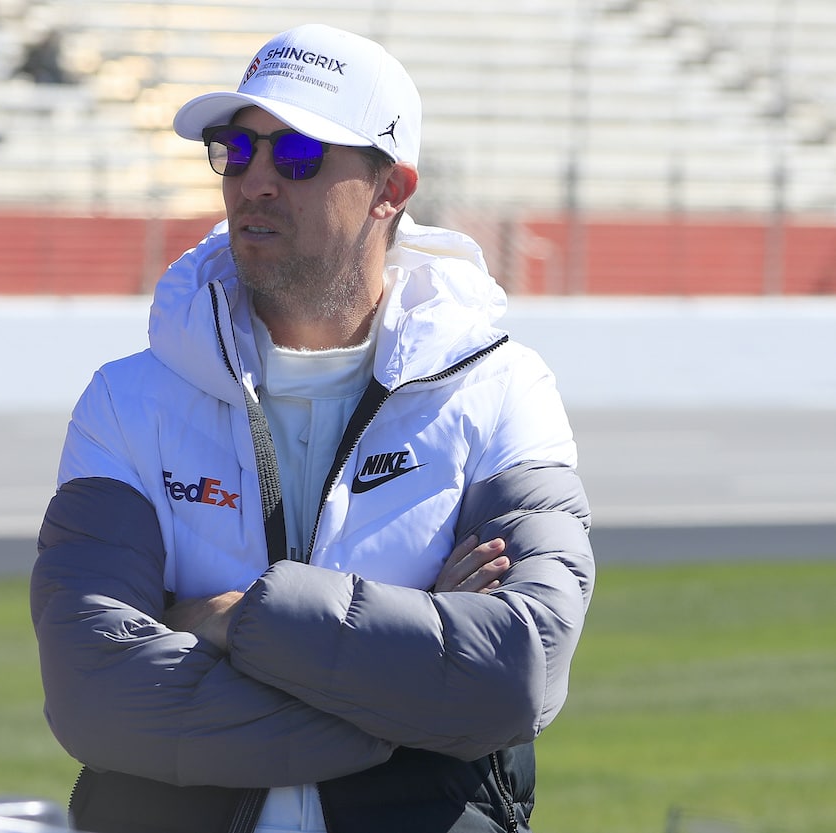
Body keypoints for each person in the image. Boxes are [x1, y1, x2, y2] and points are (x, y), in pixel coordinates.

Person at [30, 23, 594, 833]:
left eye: (296, 155)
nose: (254, 180)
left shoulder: (505, 389)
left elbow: (515, 675)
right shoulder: (127, 400)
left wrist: (236, 617)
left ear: (390, 189)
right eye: (236, 148)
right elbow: (98, 693)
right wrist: (411, 691)